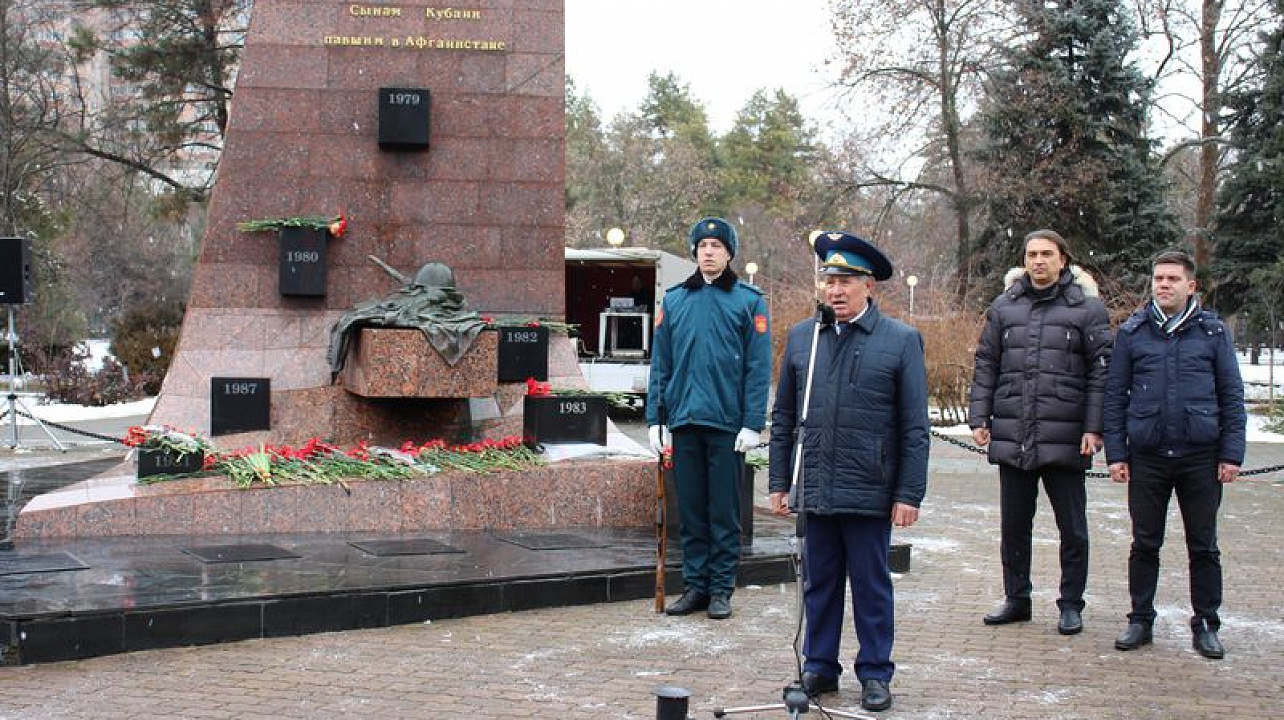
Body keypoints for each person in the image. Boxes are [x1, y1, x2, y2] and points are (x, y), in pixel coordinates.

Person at [767, 231, 928, 712]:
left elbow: (914, 426)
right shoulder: (805, 338)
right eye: (829, 280)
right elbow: (784, 417)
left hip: (869, 488)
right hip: (816, 486)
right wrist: (779, 482)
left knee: (871, 587)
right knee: (820, 583)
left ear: (868, 287)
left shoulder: (899, 341)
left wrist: (909, 493)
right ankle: (819, 666)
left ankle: (875, 672)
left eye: (846, 281)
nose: (835, 290)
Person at [968, 229, 1111, 635]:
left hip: (1066, 434)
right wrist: (979, 416)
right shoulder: (1004, 307)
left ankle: (1071, 604)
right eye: (1032, 254)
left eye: (1047, 254)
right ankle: (1017, 599)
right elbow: (987, 364)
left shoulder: (1087, 309)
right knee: (1014, 526)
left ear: (1063, 259)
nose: (1038, 261)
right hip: (1014, 432)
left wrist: (1094, 427)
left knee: (1073, 529)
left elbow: (1101, 372)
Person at [1103, 250, 1245, 659]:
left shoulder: (1213, 333)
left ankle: (1207, 624)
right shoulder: (1133, 332)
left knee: (1204, 546)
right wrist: (1116, 453)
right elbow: (1115, 396)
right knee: (1145, 543)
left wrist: (1232, 454)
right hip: (1147, 455)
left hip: (1201, 456)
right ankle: (1140, 619)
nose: (1164, 285)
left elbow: (1231, 395)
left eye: (1173, 279)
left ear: (1191, 285)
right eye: (1158, 279)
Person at [647, 217, 772, 620]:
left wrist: (753, 422)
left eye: (717, 246)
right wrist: (655, 418)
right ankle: (696, 586)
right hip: (684, 420)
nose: (708, 252)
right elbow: (661, 365)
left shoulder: (748, 301)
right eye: (702, 246)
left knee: (723, 512)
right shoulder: (676, 299)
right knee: (692, 512)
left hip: (727, 424)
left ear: (729, 253)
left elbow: (758, 367)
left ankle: (721, 588)